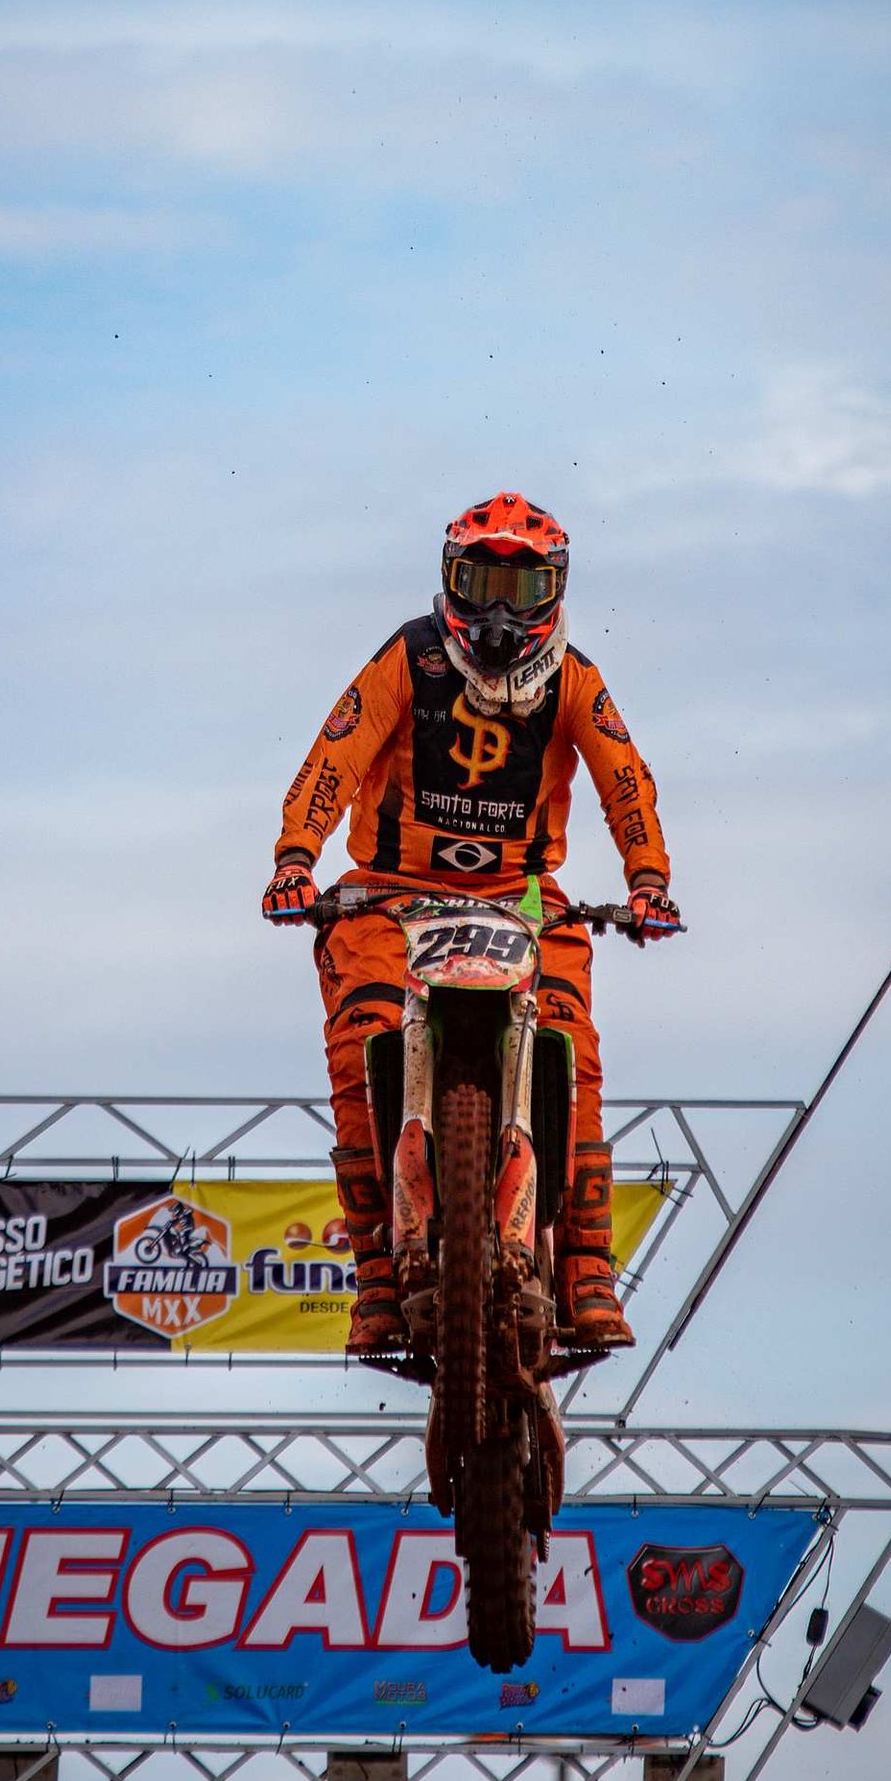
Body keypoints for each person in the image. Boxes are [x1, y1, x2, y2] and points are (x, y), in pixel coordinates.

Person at [262, 492, 679, 1355]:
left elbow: (625, 779)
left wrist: (648, 882)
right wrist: (296, 860)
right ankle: (376, 1278)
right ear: (449, 580)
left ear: (555, 593)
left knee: (572, 1042)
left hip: (523, 895)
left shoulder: (574, 680)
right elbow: (334, 753)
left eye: (520, 591)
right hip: (389, 889)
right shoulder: (409, 656)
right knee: (361, 1036)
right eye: (480, 584)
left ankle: (587, 1270)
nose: (497, 614)